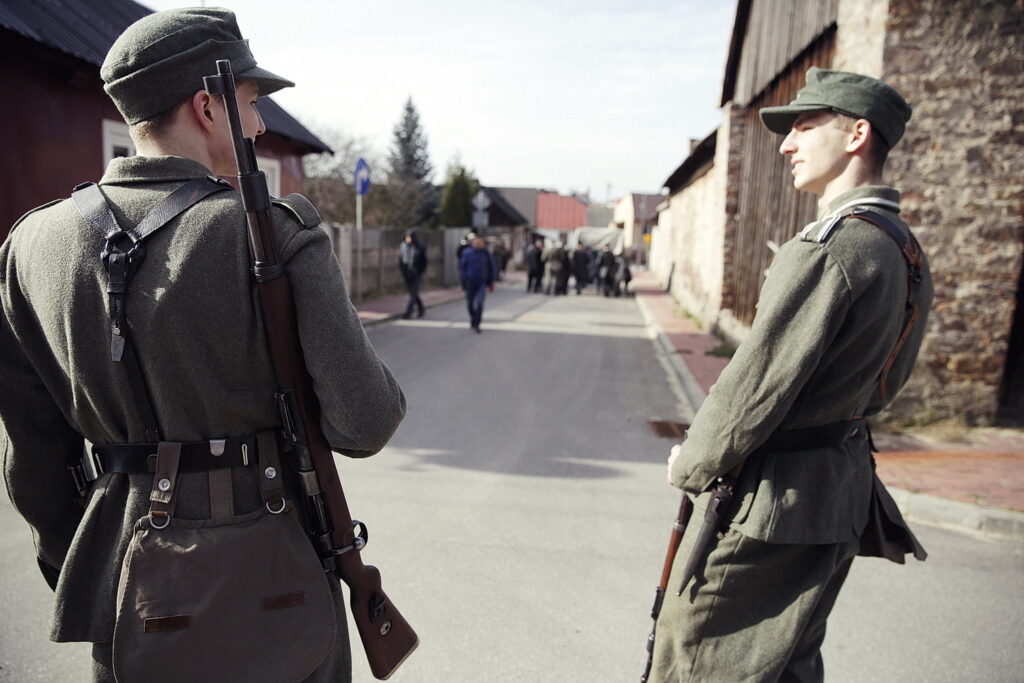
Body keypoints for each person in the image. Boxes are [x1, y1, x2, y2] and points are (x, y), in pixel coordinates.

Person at [0, 8, 406, 683]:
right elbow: (364, 421)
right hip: (280, 596)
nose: (260, 126)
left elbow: (34, 463)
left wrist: (93, 567)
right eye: (249, 104)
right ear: (206, 106)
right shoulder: (273, 233)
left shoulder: (27, 249)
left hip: (132, 595)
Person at [650, 67, 933, 682]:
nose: (786, 143)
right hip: (841, 487)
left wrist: (693, 464)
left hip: (776, 501)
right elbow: (889, 380)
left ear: (857, 134)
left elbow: (753, 385)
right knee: (786, 665)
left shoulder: (832, 246)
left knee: (698, 655)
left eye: (806, 125)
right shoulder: (903, 248)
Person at [459, 235, 497, 333]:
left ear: (482, 244)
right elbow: (462, 268)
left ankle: (477, 323)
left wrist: (492, 281)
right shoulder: (467, 253)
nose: (477, 244)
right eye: (476, 242)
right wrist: (463, 280)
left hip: (481, 283)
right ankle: (473, 318)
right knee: (470, 304)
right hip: (470, 282)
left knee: (479, 303)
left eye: (479, 242)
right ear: (472, 243)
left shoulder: (485, 254)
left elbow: (491, 267)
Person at [398, 228, 427, 318]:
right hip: (407, 274)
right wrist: (405, 273)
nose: (408, 239)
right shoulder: (403, 247)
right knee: (413, 294)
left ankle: (408, 312)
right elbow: (401, 262)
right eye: (406, 237)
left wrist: (419, 272)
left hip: (416, 274)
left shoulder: (419, 248)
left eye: (409, 237)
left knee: (413, 293)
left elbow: (424, 262)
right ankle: (421, 308)